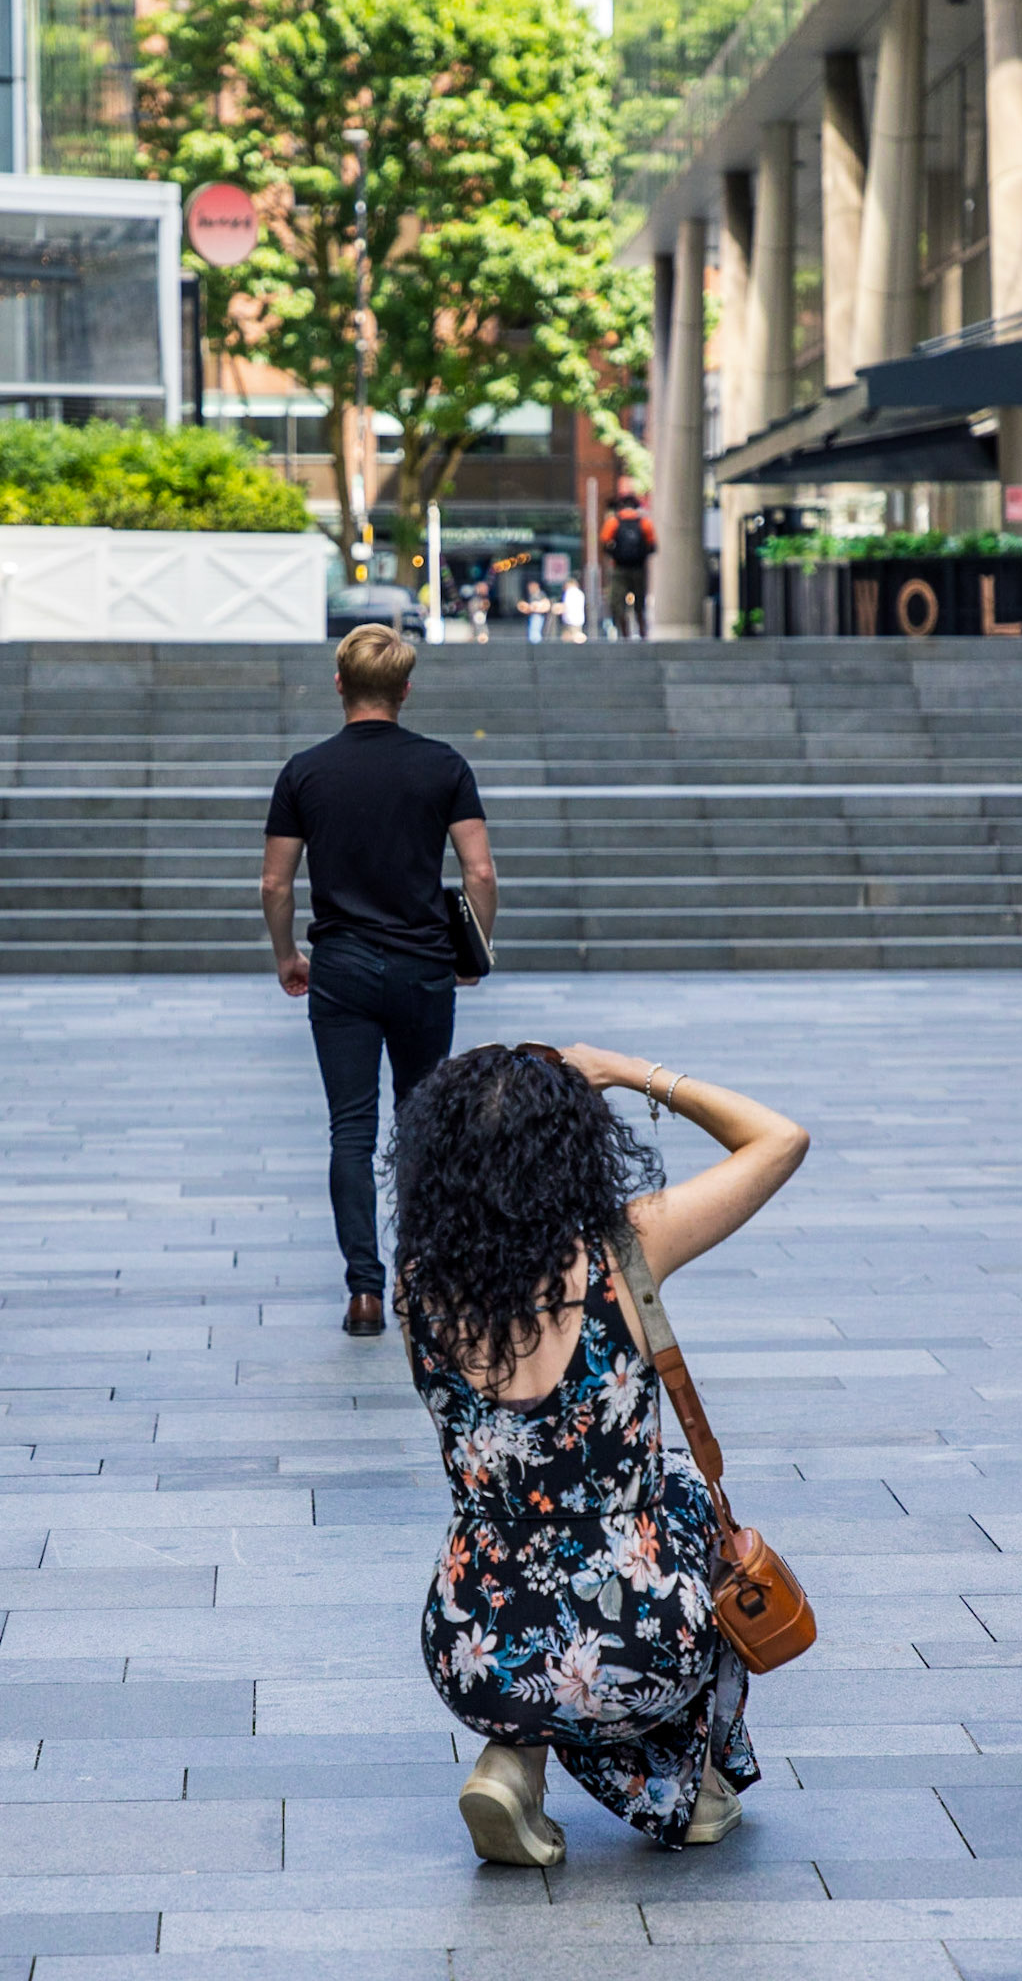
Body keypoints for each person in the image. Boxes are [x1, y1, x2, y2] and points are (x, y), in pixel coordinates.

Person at [389, 1040, 809, 1863]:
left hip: (473, 1649)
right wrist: (629, 1072)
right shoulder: (623, 1253)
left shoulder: (417, 1284)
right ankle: (690, 1791)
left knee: (546, 1592)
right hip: (634, 1653)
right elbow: (778, 1138)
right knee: (679, 1503)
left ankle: (512, 1760)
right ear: (575, 1148)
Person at [261, 625, 498, 1337]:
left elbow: (275, 884)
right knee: (421, 1125)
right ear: (405, 689)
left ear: (340, 685)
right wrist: (473, 954)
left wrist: (286, 956)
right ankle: (416, 1281)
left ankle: (362, 1293)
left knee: (350, 1130)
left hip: (341, 967)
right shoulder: (443, 765)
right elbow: (480, 872)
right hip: (423, 967)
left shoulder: (304, 772)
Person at [599, 489, 656, 639]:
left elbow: (604, 542)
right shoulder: (644, 522)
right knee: (640, 603)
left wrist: (615, 555)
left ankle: (625, 633)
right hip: (638, 568)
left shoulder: (613, 522)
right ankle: (642, 632)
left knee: (617, 602)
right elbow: (652, 546)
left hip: (619, 568)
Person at [558, 577, 586, 642]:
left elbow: (566, 606)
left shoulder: (569, 592)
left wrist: (557, 608)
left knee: (569, 639)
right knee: (577, 639)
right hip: (579, 620)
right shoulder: (580, 593)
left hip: (570, 620)